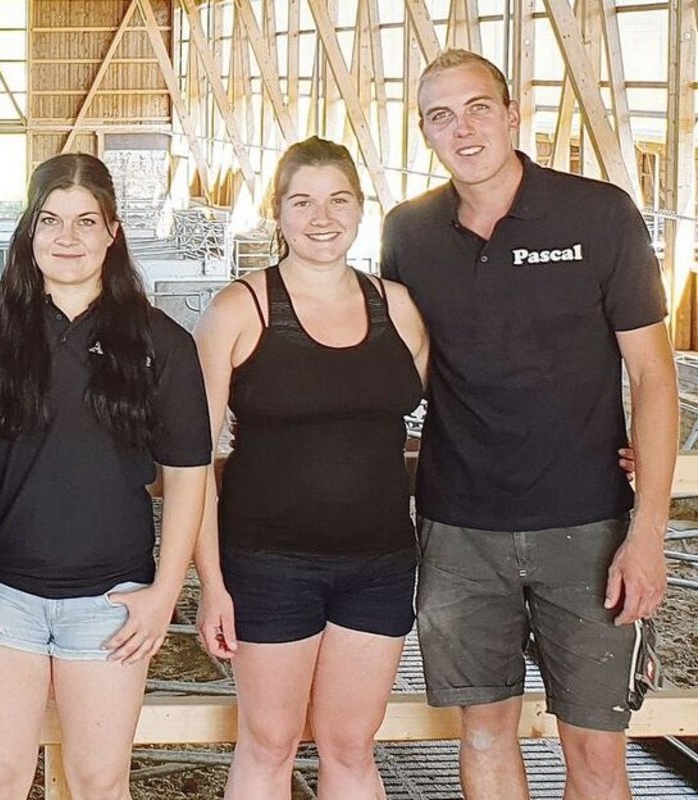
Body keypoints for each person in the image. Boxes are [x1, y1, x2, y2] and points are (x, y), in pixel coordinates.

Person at [380, 49, 678, 800]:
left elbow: (653, 375)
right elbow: (392, 370)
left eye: (479, 107)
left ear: (514, 115)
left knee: (596, 748)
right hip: (458, 529)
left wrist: (647, 533)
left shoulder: (599, 213)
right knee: (482, 731)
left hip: (587, 528)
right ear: (424, 133)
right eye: (440, 116)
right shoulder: (408, 233)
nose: (463, 129)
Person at [0, 152, 211, 800]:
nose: (68, 238)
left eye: (87, 222)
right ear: (29, 230)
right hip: (0, 596)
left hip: (110, 603)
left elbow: (190, 475)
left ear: (113, 231)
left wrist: (167, 591)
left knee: (99, 781)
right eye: (51, 220)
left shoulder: (160, 343)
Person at [193, 137, 428, 800]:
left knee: (351, 746)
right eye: (303, 201)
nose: (321, 217)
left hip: (379, 563)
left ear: (361, 209)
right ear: (278, 213)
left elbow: (470, 415)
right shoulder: (239, 309)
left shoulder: (400, 309)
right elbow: (193, 460)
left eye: (338, 200)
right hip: (270, 564)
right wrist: (210, 581)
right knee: (269, 743)